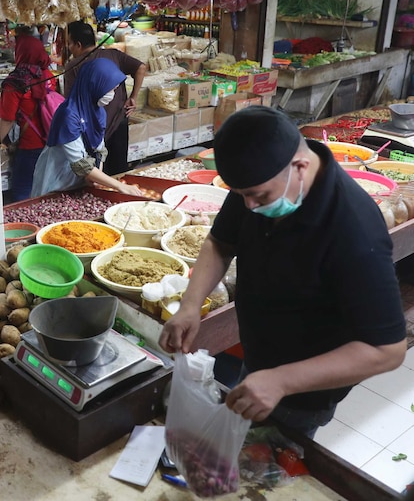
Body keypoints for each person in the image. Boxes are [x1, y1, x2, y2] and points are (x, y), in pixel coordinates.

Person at [158, 106, 407, 439]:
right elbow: (219, 242)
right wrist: (190, 306)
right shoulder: (262, 180)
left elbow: (387, 349)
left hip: (303, 390)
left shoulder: (353, 230)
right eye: (242, 195)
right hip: (260, 358)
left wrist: (281, 381)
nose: (248, 206)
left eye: (258, 196)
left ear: (300, 167)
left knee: (273, 464)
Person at [30, 58, 143, 198]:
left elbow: (100, 149)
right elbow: (81, 164)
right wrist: (120, 186)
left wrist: (96, 177)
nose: (112, 95)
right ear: (95, 85)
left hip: (80, 183)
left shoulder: (98, 110)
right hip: (57, 181)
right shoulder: (68, 115)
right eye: (111, 90)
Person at [63, 21, 147, 176]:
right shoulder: (113, 55)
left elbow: (70, 101)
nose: (69, 48)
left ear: (78, 44)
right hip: (117, 121)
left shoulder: (74, 66)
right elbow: (141, 67)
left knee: (97, 172)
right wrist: (133, 97)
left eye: (69, 44)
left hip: (91, 128)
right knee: (117, 170)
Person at [0, 34, 56, 202]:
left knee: (23, 195)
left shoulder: (15, 83)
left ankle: (28, 226)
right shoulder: (48, 75)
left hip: (28, 146)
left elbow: (7, 120)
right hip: (50, 141)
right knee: (44, 191)